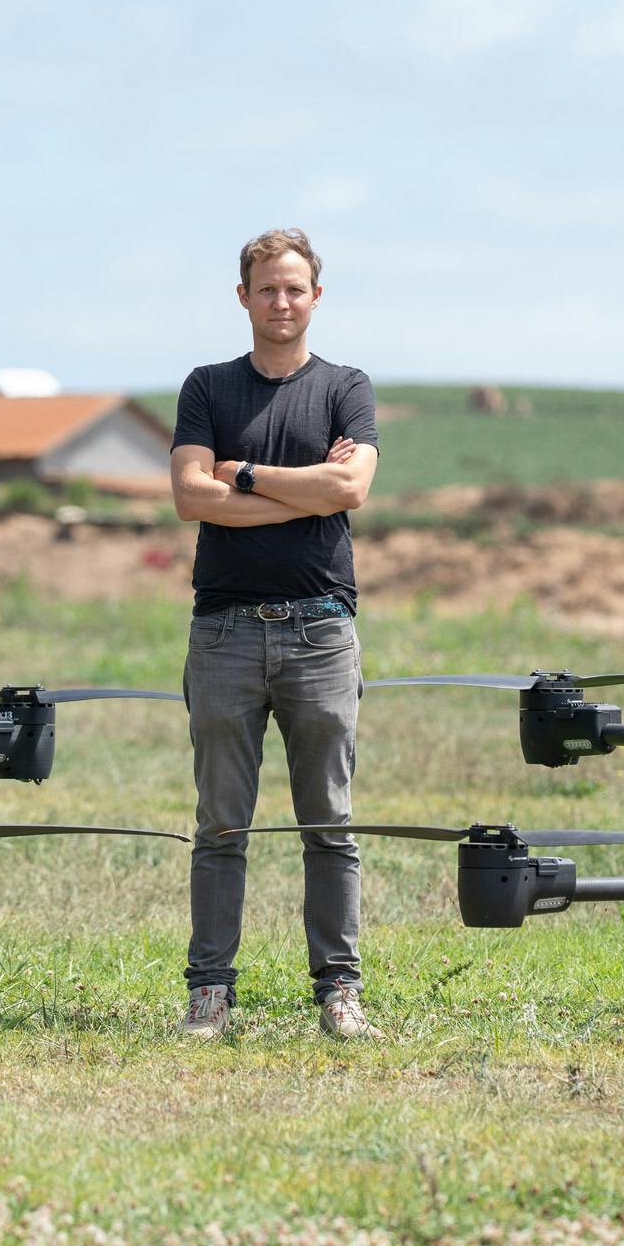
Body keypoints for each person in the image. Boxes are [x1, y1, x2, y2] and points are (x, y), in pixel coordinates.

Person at [167, 227, 381, 1040]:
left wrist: (247, 476)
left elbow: (350, 487)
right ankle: (209, 993)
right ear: (243, 297)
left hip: (320, 631)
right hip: (223, 633)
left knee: (330, 823)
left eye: (295, 288)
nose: (281, 301)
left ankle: (339, 992)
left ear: (316, 296)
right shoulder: (207, 386)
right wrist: (305, 493)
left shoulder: (346, 387)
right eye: (267, 288)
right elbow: (191, 497)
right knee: (221, 824)